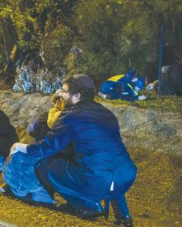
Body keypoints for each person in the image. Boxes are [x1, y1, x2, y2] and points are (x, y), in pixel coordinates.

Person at [8, 74, 137, 226]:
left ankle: (83, 205)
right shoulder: (107, 113)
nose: (60, 94)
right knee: (110, 171)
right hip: (126, 174)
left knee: (45, 165)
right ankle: (124, 218)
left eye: (64, 91)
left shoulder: (71, 116)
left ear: (77, 95)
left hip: (95, 177)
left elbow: (47, 147)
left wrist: (21, 147)